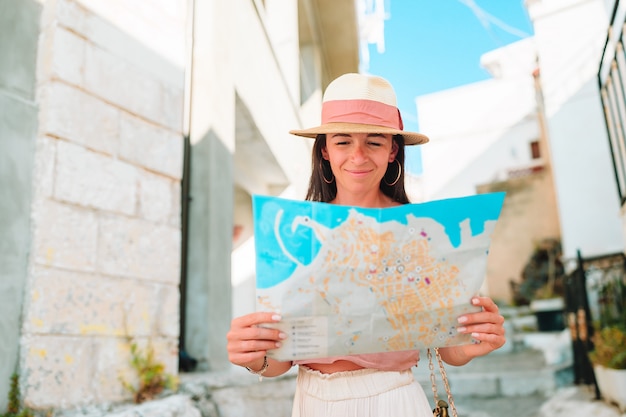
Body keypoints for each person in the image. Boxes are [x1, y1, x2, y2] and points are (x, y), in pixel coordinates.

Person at [226, 73, 506, 416]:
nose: (358, 156)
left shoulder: (424, 231)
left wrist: (476, 342)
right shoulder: (295, 233)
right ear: (325, 151)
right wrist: (255, 357)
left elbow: (448, 349)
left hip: (396, 401)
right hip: (312, 404)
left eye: (374, 141)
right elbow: (280, 361)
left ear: (393, 151)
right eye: (343, 141)